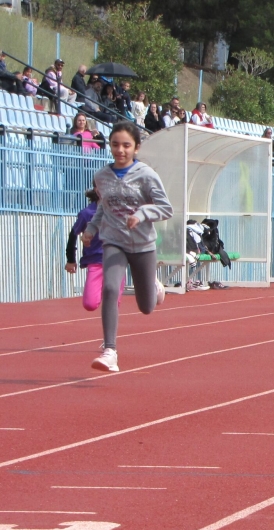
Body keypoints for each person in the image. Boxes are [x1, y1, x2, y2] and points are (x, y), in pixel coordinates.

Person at [82, 122, 173, 372]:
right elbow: (103, 206)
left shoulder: (146, 174)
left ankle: (154, 284)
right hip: (113, 240)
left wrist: (142, 213)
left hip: (143, 244)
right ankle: (110, 350)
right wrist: (91, 230)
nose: (120, 150)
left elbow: (166, 208)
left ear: (136, 147)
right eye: (115, 145)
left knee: (146, 307)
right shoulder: (101, 176)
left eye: (126, 145)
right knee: (110, 288)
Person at [66, 187, 125, 311]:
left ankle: (110, 327)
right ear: (97, 190)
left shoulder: (120, 211)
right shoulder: (86, 214)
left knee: (112, 305)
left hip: (116, 262)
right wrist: (70, 259)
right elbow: (73, 234)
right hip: (96, 261)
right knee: (90, 304)